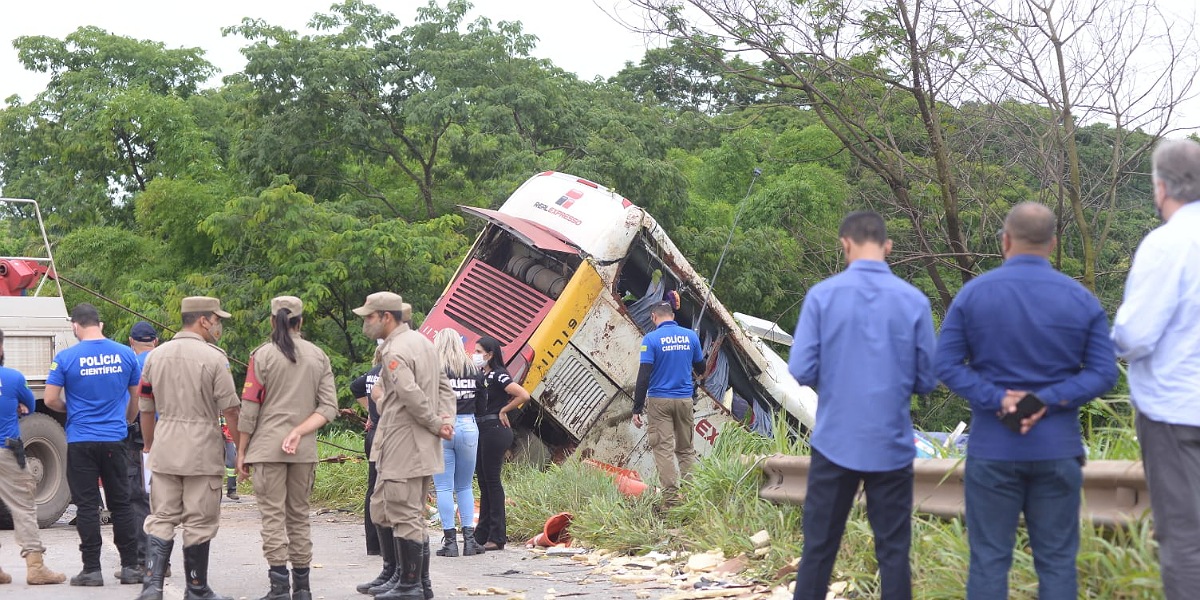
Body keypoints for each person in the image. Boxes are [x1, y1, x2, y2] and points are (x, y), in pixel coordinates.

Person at [936, 203, 1119, 599]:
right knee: (1056, 562)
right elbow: (1105, 373)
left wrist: (1000, 398)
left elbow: (946, 364)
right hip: (1057, 450)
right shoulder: (1081, 299)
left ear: (1005, 241)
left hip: (992, 450)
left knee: (989, 560)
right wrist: (1044, 401)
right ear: (1052, 243)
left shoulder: (973, 295)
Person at [786, 211, 936, 600]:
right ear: (887, 247)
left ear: (845, 244)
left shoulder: (822, 296)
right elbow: (926, 380)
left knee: (818, 551)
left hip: (835, 442)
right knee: (894, 554)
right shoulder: (914, 301)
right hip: (891, 445)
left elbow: (801, 369)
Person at [1112, 138, 1200, 599]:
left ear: (1160, 186)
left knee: (1185, 538)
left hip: (1176, 411)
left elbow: (1136, 335)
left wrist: (1107, 344)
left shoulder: (1167, 244)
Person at [135, 296, 241, 600]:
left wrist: (150, 446)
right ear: (203, 320)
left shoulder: (155, 356)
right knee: (199, 519)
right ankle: (196, 587)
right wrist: (242, 449)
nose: (219, 325)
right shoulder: (214, 358)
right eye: (217, 320)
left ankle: (151, 587)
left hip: (165, 445)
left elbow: (145, 406)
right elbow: (231, 410)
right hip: (202, 449)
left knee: (161, 516)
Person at [354, 291, 455, 600]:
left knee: (404, 512)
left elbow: (411, 394)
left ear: (387, 316)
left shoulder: (395, 350)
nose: (365, 324)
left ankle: (410, 584)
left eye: (369, 317)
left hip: (405, 440)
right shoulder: (423, 343)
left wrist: (438, 423)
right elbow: (444, 387)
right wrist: (445, 418)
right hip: (415, 441)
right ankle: (409, 580)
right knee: (390, 507)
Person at [237, 296, 339, 600]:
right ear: (301, 321)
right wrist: (299, 431)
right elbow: (329, 407)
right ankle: (303, 589)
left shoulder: (262, 356)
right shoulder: (318, 356)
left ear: (272, 320)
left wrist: (242, 451)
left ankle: (279, 587)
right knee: (299, 516)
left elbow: (249, 407)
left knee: (272, 518)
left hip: (266, 449)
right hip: (303, 450)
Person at [43, 302, 142, 587]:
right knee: (121, 503)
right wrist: (124, 421)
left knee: (86, 506)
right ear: (101, 325)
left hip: (81, 440)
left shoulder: (66, 357)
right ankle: (130, 567)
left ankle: (92, 570)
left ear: (75, 326)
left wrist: (72, 410)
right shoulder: (126, 354)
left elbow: (49, 400)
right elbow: (136, 398)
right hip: (114, 438)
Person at [0, 328, 66, 586]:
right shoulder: (13, 378)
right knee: (25, 508)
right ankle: (35, 567)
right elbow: (28, 406)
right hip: (6, 452)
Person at [630, 298, 703, 501]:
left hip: (659, 402)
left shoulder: (651, 340)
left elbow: (644, 375)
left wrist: (636, 408)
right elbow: (701, 368)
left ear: (654, 317)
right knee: (686, 450)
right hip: (684, 401)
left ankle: (671, 500)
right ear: (673, 315)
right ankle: (691, 498)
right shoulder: (691, 337)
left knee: (663, 449)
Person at [473, 335, 530, 552]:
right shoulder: (482, 375)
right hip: (482, 430)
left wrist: (504, 410)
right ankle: (482, 533)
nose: (476, 355)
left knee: (492, 482)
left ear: (490, 354)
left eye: (479, 352)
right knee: (484, 483)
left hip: (494, 430)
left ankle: (497, 536)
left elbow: (523, 394)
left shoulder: (498, 375)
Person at [432, 328, 484, 558]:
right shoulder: (474, 369)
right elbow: (482, 402)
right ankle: (470, 542)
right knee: (464, 486)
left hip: (442, 427)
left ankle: (450, 542)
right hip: (469, 426)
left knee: (443, 487)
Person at [122, 320, 158, 578]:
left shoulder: (133, 365)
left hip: (141, 441)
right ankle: (162, 561)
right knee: (162, 501)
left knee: (138, 498)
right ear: (155, 341)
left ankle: (144, 561)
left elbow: (132, 402)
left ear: (131, 342)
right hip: (170, 439)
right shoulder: (167, 361)